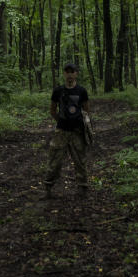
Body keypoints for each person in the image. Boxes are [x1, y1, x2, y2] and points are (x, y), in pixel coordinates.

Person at [42, 62, 90, 199]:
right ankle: (48, 188)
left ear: (76, 74)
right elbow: (52, 110)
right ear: (64, 74)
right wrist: (61, 121)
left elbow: (87, 110)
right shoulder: (58, 91)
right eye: (67, 72)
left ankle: (83, 188)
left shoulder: (82, 91)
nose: (70, 75)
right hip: (61, 131)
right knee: (54, 160)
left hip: (77, 131)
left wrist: (80, 123)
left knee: (80, 160)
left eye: (72, 72)